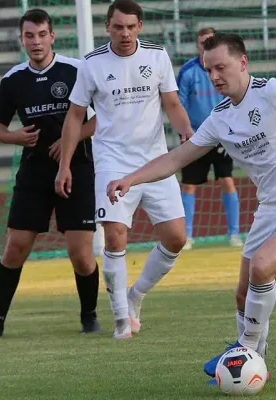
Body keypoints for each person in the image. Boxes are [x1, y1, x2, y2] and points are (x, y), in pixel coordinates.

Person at [105, 32, 276, 380]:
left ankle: (246, 349)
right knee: (241, 295)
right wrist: (130, 179)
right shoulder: (220, 117)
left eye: (221, 67)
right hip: (269, 210)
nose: (214, 76)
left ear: (243, 62)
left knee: (262, 267)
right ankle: (256, 358)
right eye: (208, 70)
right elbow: (176, 157)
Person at [55, 0, 194, 339]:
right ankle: (120, 320)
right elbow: (76, 116)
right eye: (119, 27)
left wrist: (188, 133)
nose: (125, 33)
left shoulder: (157, 57)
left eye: (131, 27)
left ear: (140, 27)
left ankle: (135, 296)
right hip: (112, 162)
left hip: (155, 162)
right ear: (108, 27)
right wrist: (65, 165)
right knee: (115, 236)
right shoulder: (91, 64)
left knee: (176, 238)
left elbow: (172, 103)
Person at [0, 8, 100, 341]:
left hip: (78, 170)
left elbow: (101, 119)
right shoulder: (14, 79)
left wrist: (70, 141)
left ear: (53, 36)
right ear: (22, 39)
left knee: (81, 254)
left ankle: (89, 317)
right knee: (15, 247)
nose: (36, 41)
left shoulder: (77, 70)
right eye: (30, 35)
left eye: (42, 34)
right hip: (34, 173)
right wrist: (16, 137)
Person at [178, 27, 243, 250]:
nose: (205, 45)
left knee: (227, 181)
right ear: (197, 45)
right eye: (201, 42)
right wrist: (186, 133)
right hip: (196, 137)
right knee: (188, 185)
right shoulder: (187, 72)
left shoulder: (225, 70)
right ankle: (186, 236)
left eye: (209, 41)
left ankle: (234, 233)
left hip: (224, 137)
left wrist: (231, 132)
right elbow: (178, 105)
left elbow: (235, 100)